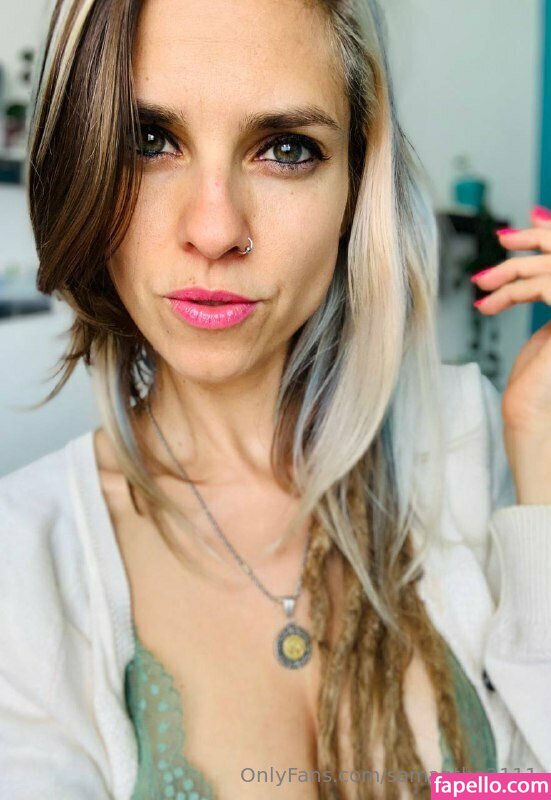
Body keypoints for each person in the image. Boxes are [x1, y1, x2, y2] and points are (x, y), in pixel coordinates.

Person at [0, 0, 550, 797]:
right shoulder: (22, 569)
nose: (215, 229)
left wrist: (539, 447)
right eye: (148, 141)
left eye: (285, 149)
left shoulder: (466, 448)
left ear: (355, 188)